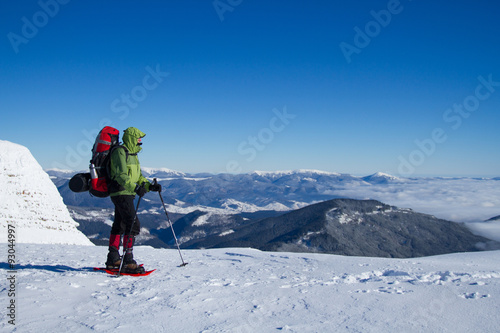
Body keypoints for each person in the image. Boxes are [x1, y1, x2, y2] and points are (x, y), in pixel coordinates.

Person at [105, 127, 161, 273]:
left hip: (127, 192)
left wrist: (150, 186)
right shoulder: (120, 152)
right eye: (138, 138)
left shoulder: (133, 154)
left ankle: (113, 258)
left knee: (119, 224)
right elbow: (121, 175)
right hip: (120, 191)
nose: (140, 141)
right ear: (131, 138)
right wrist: (135, 188)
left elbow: (139, 177)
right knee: (132, 223)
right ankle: (127, 259)